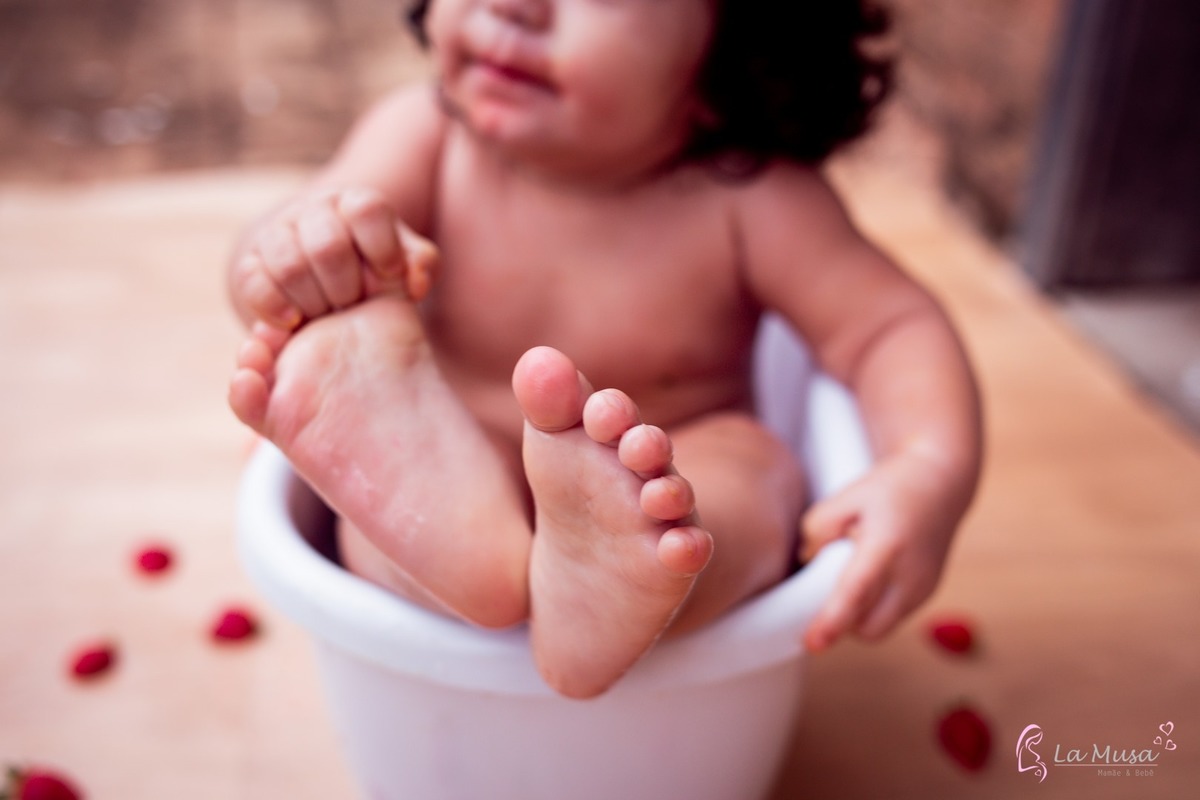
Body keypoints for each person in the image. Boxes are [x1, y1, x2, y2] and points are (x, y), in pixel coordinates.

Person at [226, 0, 982, 699]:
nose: (514, 6)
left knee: (753, 468)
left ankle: (623, 582)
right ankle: (454, 549)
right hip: (454, 453)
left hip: (674, 469)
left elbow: (890, 328)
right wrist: (302, 253)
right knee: (377, 501)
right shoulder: (423, 136)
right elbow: (270, 263)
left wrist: (925, 470)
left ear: (733, 50)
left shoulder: (753, 198)